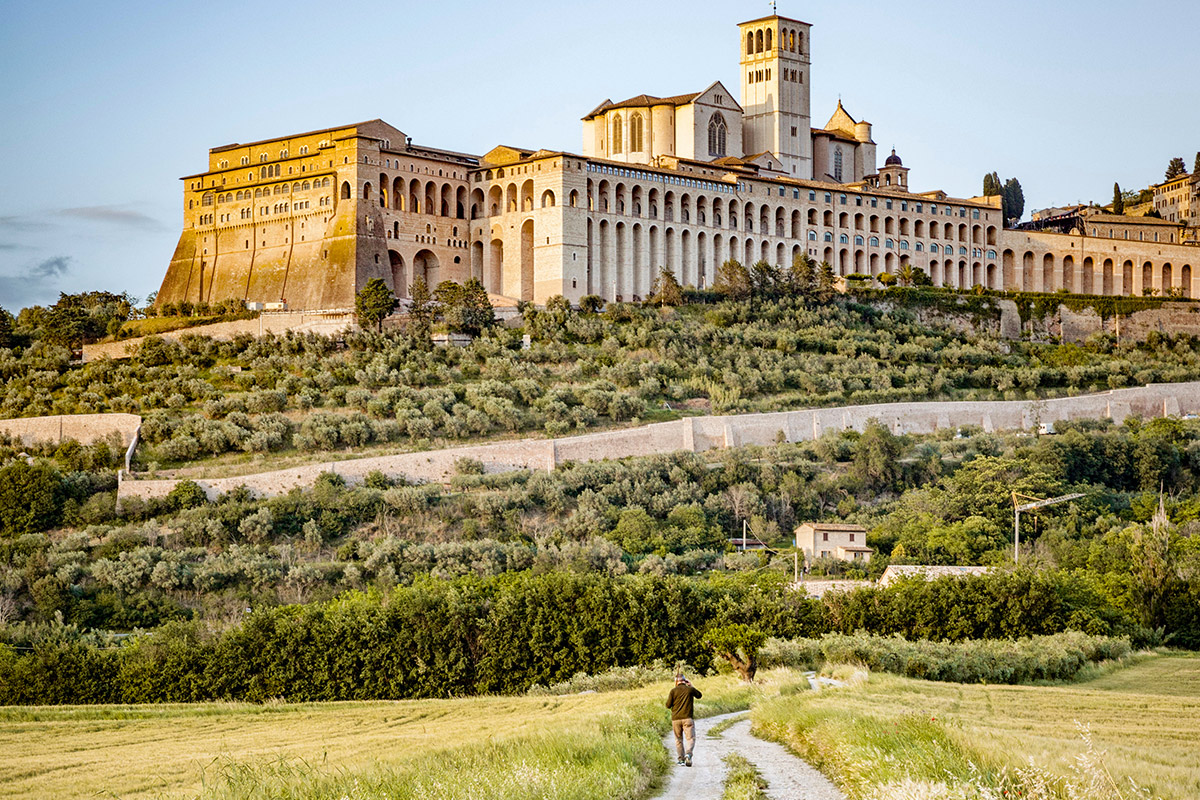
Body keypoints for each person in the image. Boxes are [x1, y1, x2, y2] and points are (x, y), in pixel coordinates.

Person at [665, 672, 702, 767]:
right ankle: (688, 754)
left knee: (678, 740)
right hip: (687, 718)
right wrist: (691, 685)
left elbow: (668, 705)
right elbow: (699, 695)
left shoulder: (673, 691)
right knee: (690, 738)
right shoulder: (690, 690)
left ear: (676, 682)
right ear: (685, 681)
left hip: (676, 719)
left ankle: (681, 760)